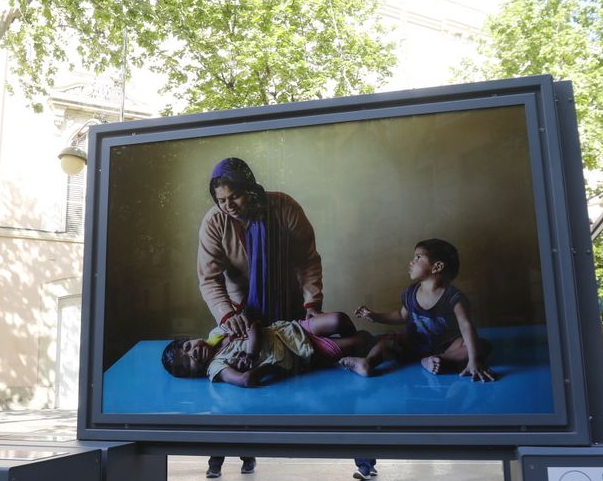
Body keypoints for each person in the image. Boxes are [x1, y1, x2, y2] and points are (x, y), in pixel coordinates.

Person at [197, 158, 322, 343]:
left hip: (291, 304)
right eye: (221, 200)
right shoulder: (214, 222)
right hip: (243, 313)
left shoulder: (284, 207)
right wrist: (228, 316)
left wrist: (312, 304)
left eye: (234, 197)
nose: (229, 206)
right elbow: (209, 279)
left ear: (249, 189)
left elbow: (307, 260)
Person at [354, 239, 496, 381]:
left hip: (449, 347)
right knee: (391, 338)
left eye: (418, 257)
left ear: (437, 267)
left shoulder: (453, 298)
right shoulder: (410, 293)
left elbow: (466, 326)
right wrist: (374, 316)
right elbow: (401, 316)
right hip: (416, 343)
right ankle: (368, 362)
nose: (411, 262)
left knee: (480, 345)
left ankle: (439, 359)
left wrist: (475, 360)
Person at [161, 311, 374, 387]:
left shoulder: (218, 332)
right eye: (187, 359)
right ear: (192, 372)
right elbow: (243, 380)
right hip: (299, 352)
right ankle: (342, 355)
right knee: (363, 340)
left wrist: (252, 352)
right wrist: (265, 368)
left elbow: (253, 325)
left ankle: (344, 349)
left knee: (339, 319)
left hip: (289, 330)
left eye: (187, 346)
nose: (192, 352)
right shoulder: (216, 367)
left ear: (193, 339)